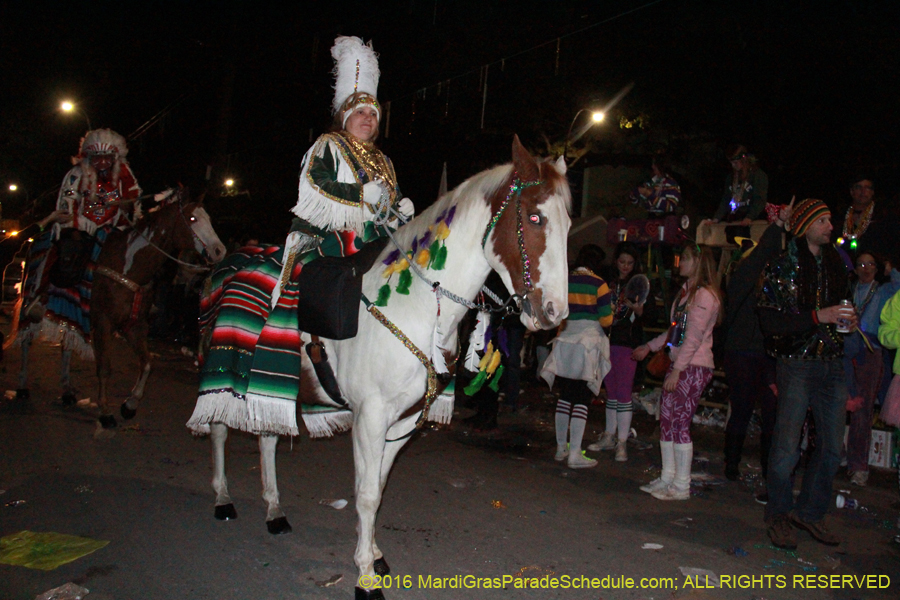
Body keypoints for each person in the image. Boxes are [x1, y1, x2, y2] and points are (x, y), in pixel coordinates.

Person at [757, 198, 854, 550]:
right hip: (796, 364)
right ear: (805, 225)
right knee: (786, 446)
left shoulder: (836, 265)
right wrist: (818, 316)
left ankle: (809, 512)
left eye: (831, 219)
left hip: (831, 362)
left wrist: (849, 320)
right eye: (824, 220)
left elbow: (839, 312)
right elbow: (770, 323)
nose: (832, 226)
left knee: (831, 448)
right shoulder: (781, 266)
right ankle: (780, 514)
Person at [285, 36, 413, 265]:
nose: (368, 118)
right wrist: (360, 194)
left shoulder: (384, 160)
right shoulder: (330, 144)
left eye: (373, 114)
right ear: (345, 119)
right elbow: (315, 183)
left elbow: (390, 201)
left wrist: (403, 210)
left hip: (379, 239)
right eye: (360, 112)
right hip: (333, 238)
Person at [20, 128, 141, 357]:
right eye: (98, 158)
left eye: (108, 158)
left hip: (110, 229)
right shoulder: (76, 174)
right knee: (65, 251)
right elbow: (68, 205)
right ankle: (39, 296)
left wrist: (120, 207)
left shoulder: (122, 175)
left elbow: (128, 201)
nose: (103, 162)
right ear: (89, 157)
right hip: (77, 228)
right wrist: (101, 207)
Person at [633, 244, 721, 500]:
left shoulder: (704, 295)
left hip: (693, 365)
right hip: (682, 363)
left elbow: (693, 338)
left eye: (684, 258)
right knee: (668, 421)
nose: (679, 262)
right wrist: (650, 346)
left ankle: (681, 484)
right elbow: (676, 333)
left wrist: (677, 370)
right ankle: (668, 477)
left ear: (698, 262)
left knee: (679, 423)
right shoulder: (687, 293)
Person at [721, 200, 793, 491]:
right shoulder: (741, 281)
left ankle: (768, 470)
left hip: (768, 356)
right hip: (741, 353)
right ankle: (731, 464)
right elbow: (761, 253)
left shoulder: (776, 289)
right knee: (741, 410)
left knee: (772, 416)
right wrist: (776, 227)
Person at [541, 244, 612, 469]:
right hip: (587, 345)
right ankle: (575, 455)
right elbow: (606, 320)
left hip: (565, 343)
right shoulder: (599, 284)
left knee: (565, 396)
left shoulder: (564, 281)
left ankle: (561, 448)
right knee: (582, 398)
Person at [843, 252, 900, 486]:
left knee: (862, 408)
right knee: (840, 403)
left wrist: (892, 271)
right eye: (861, 264)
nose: (865, 268)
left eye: (871, 264)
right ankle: (839, 455)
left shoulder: (884, 290)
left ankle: (859, 466)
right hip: (847, 348)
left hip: (871, 350)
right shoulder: (849, 290)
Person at [587, 242, 648, 461]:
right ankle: (609, 435)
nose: (625, 266)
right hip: (607, 341)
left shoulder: (639, 285)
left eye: (630, 263)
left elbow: (645, 317)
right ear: (616, 261)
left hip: (626, 343)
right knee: (611, 392)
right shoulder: (608, 283)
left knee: (623, 394)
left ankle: (621, 442)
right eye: (622, 262)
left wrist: (638, 310)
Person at [712, 144, 768, 224]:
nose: (733, 165)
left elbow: (760, 200)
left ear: (743, 159)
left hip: (753, 222)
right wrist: (716, 218)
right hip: (735, 219)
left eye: (735, 162)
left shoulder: (758, 175)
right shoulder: (731, 178)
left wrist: (750, 217)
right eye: (731, 163)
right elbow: (725, 200)